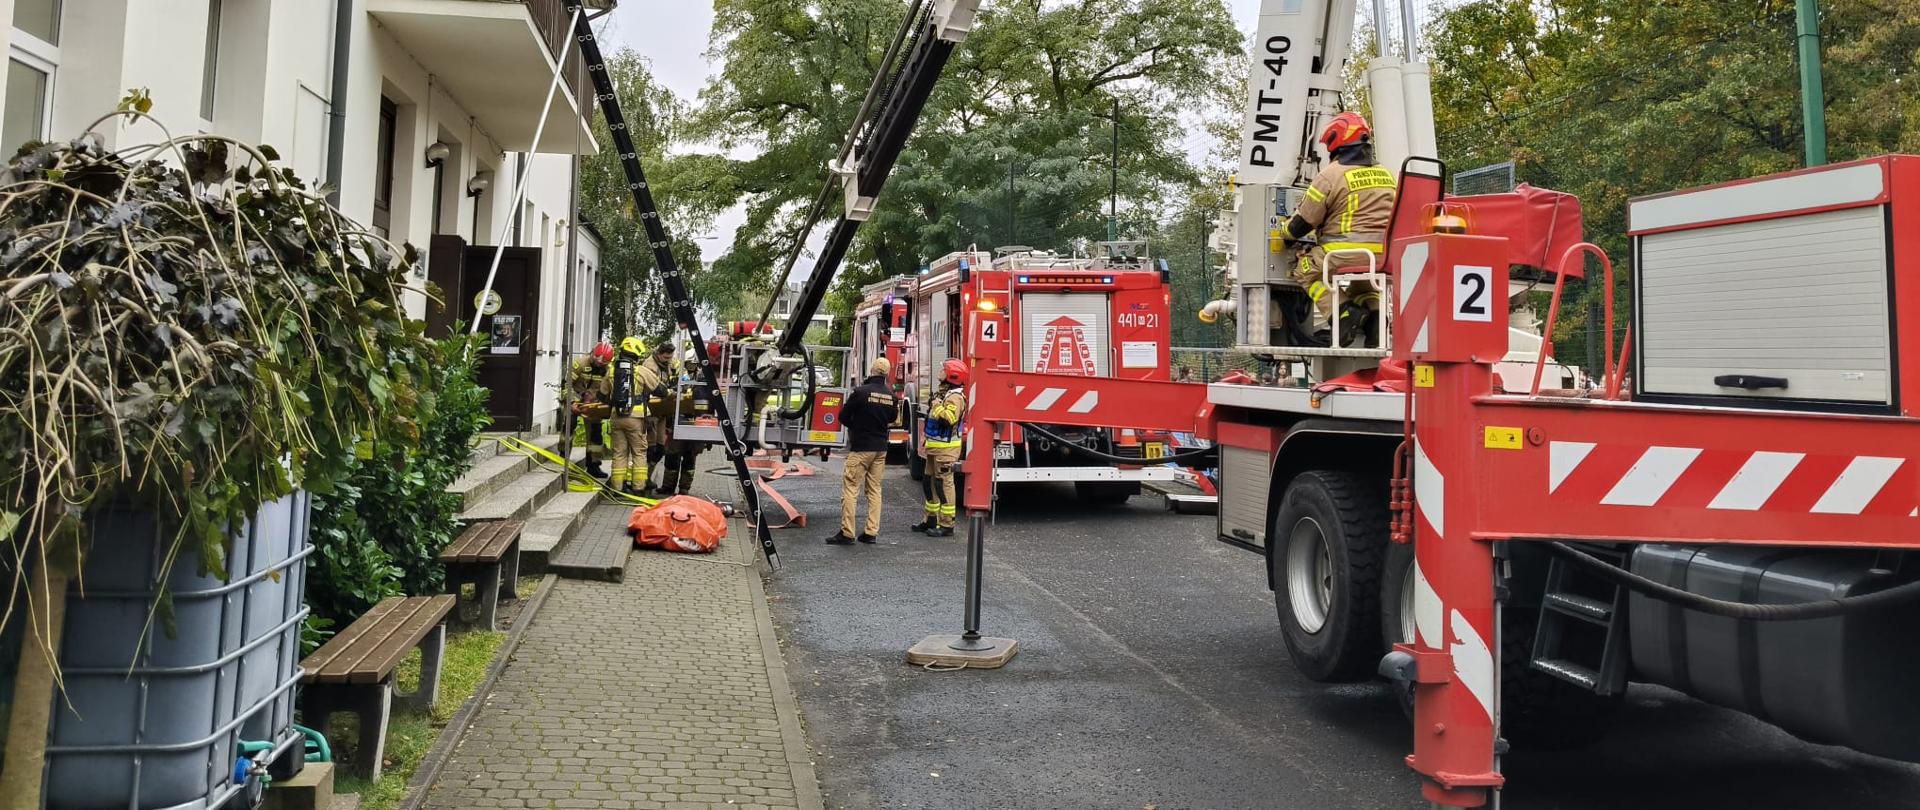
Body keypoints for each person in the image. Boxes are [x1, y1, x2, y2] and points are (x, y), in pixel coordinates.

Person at [1276, 112, 1396, 325]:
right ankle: (1376, 324)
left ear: (1335, 142)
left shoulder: (1330, 175)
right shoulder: (1387, 175)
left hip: (1344, 253)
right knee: (1363, 283)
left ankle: (1343, 314)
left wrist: (1284, 233)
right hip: (1383, 255)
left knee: (1305, 271)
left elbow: (1304, 221)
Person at [828, 357, 899, 545]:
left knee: (851, 488)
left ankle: (847, 533)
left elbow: (843, 416)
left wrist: (856, 427)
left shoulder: (860, 392)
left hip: (861, 447)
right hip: (880, 448)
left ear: (872, 371)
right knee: (875, 490)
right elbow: (892, 418)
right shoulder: (891, 396)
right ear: (886, 374)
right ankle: (871, 532)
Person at [910, 358, 968, 537]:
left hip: (946, 449)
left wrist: (935, 406)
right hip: (934, 448)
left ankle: (947, 524)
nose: (941, 372)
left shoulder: (956, 397)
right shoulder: (944, 394)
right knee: (929, 482)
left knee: (943, 484)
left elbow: (948, 419)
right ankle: (931, 519)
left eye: (944, 370)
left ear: (952, 375)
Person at [602, 336, 663, 495]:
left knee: (619, 453)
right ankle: (638, 488)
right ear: (637, 355)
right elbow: (660, 391)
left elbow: (602, 394)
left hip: (616, 417)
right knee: (639, 453)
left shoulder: (611, 371)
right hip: (636, 419)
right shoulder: (640, 371)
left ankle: (618, 488)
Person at [566, 341, 614, 478]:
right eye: (596, 359)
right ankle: (563, 456)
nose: (598, 363)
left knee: (596, 434)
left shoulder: (608, 371)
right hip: (575, 399)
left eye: (603, 362)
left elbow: (608, 390)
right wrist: (572, 402)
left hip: (593, 405)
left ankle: (593, 465)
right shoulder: (579, 364)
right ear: (592, 353)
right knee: (569, 426)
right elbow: (567, 385)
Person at [638, 339, 678, 496]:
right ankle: (642, 480)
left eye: (670, 357)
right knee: (651, 447)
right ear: (659, 354)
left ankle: (647, 476)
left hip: (662, 410)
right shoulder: (649, 366)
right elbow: (651, 388)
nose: (669, 361)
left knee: (661, 447)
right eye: (666, 358)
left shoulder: (669, 362)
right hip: (650, 409)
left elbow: (677, 371)